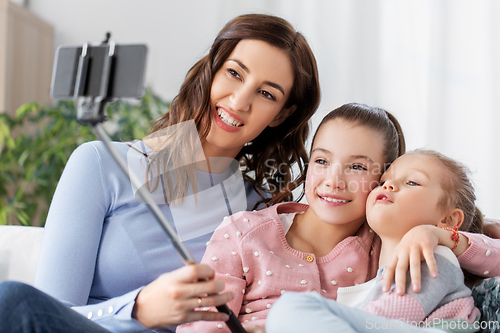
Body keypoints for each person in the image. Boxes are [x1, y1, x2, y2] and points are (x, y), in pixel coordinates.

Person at [0, 13, 320, 333]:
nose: (239, 101)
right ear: (211, 71)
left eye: (267, 94)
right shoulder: (103, 164)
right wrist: (137, 309)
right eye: (234, 73)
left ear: (281, 115)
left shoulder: (258, 211)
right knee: (13, 300)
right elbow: (47, 313)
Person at [177, 103, 500, 333]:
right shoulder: (244, 233)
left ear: (381, 183)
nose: (333, 180)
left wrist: (440, 234)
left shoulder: (389, 243)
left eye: (358, 167)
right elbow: (203, 323)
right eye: (321, 160)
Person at [266, 149, 484, 333]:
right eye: (383, 181)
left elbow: (392, 316)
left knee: (292, 307)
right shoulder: (375, 277)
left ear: (448, 219)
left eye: (411, 182)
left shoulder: (433, 253)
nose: (388, 185)